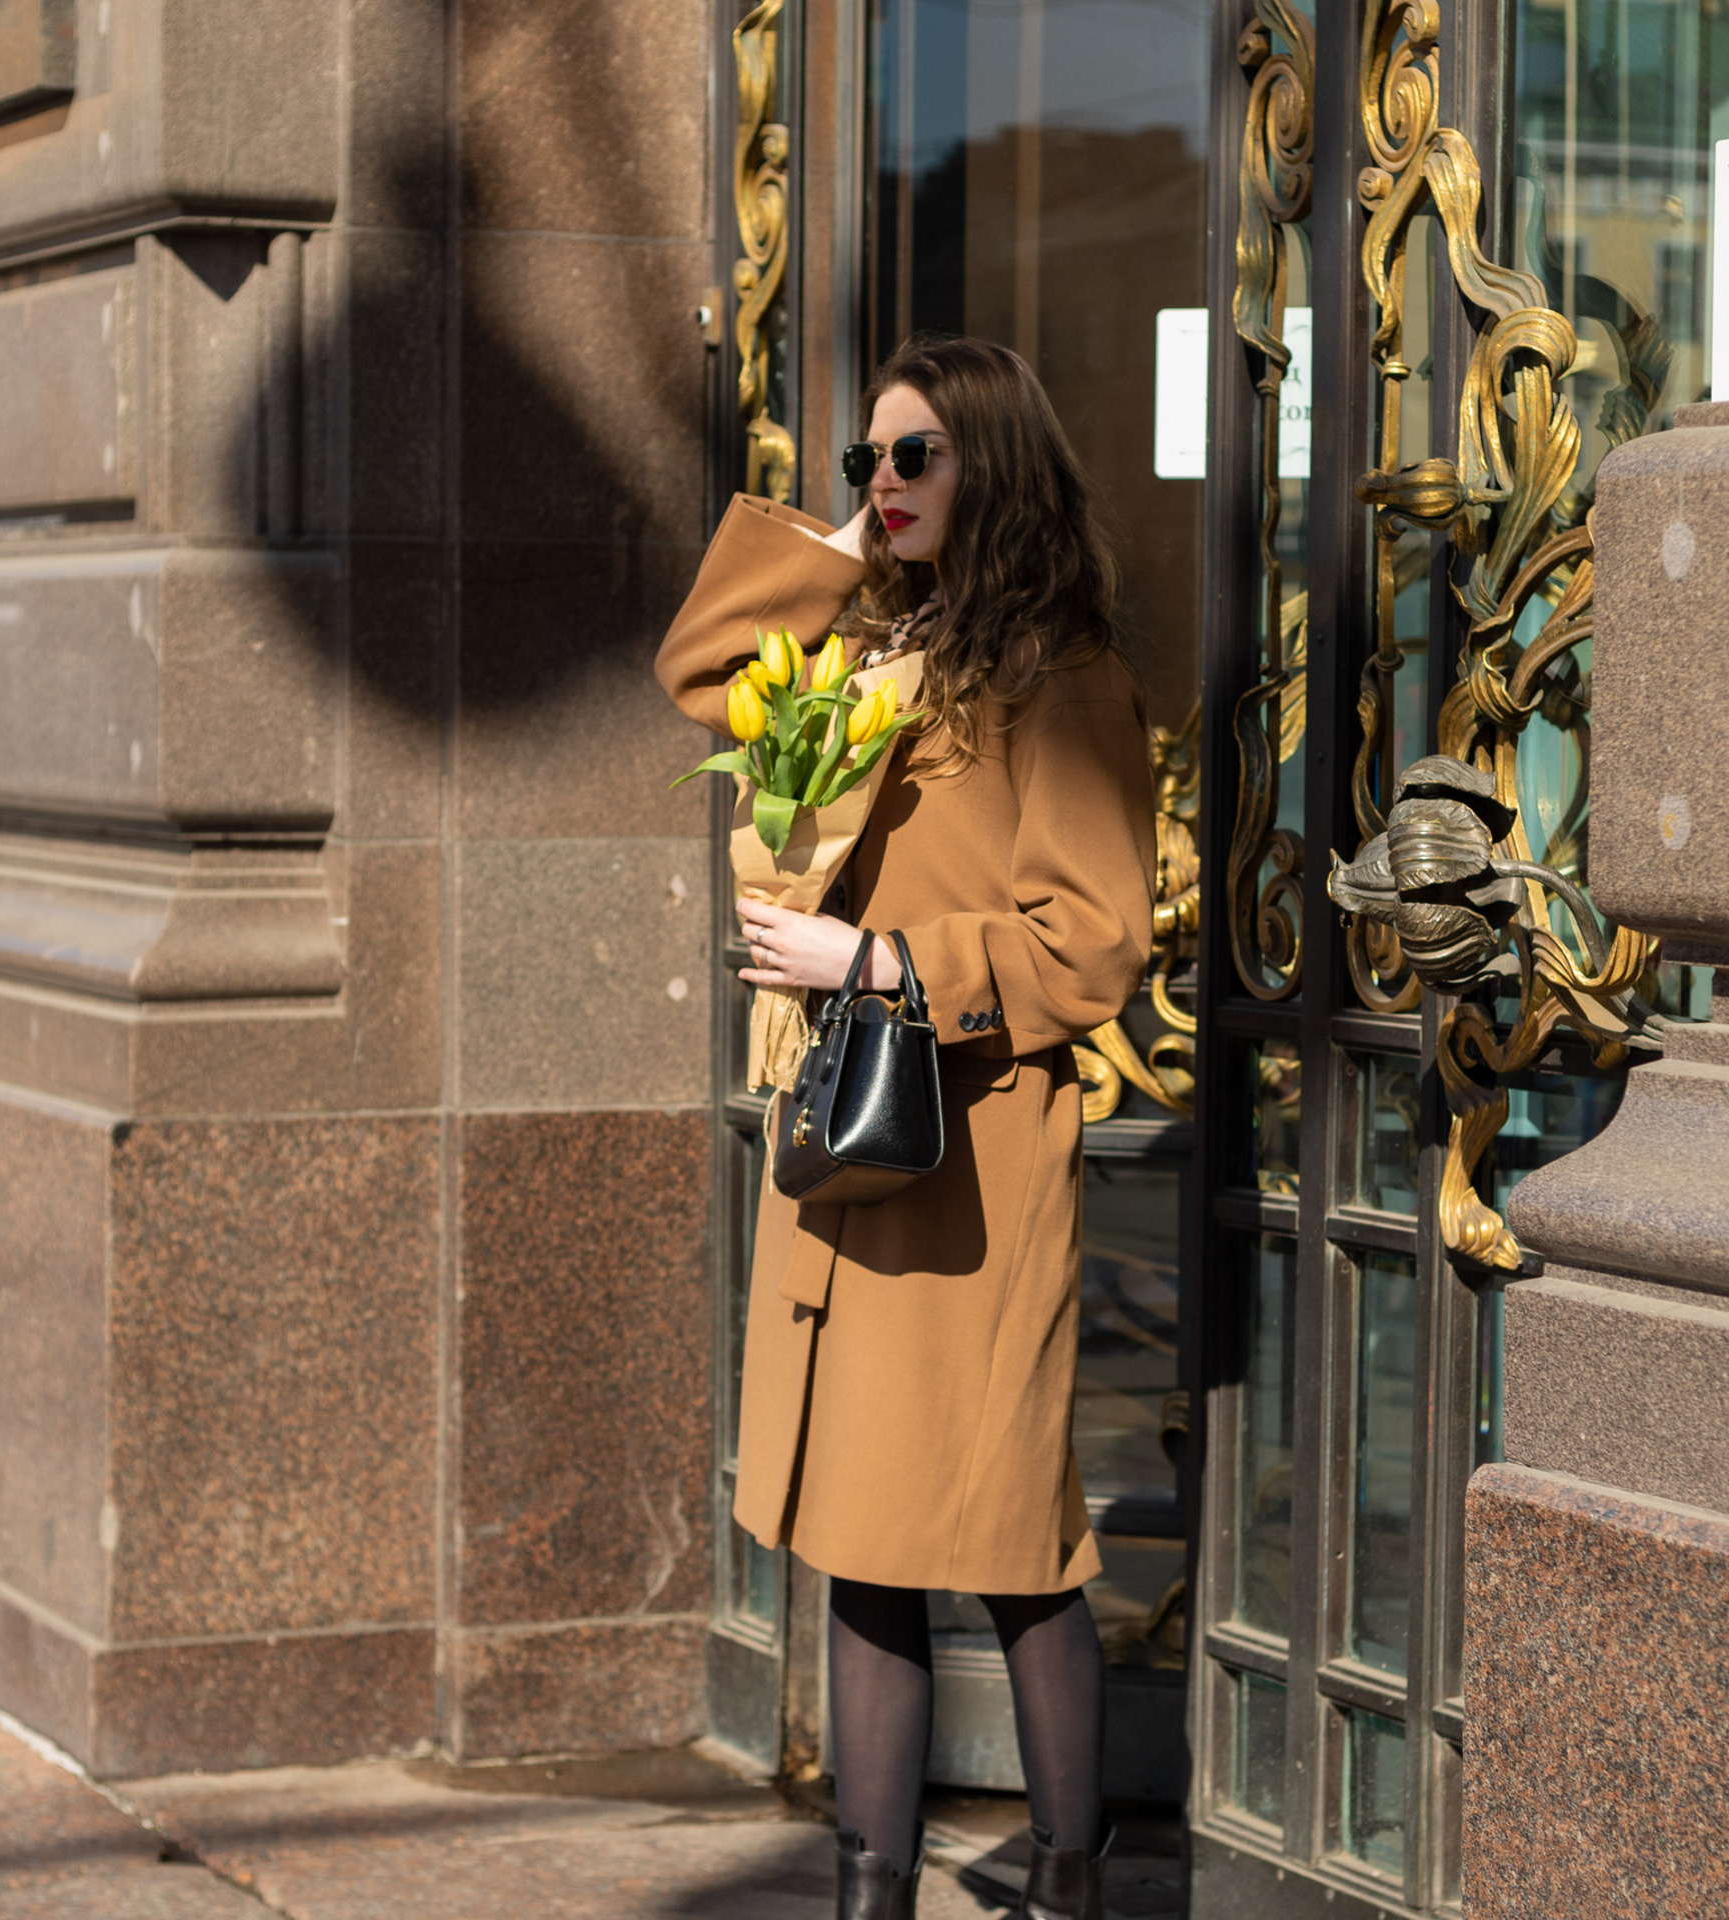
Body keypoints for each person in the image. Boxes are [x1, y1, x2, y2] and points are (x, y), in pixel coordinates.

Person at [655, 335, 1156, 1920]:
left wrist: (873, 958)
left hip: (978, 1156)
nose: (885, 483)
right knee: (861, 1532)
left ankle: (1072, 1872)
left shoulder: (1063, 680)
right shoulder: (875, 654)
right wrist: (840, 547)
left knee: (1007, 1536)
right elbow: (698, 671)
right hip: (851, 1144)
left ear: (992, 465)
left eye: (917, 457)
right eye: (871, 459)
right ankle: (873, 1889)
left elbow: (1096, 942)